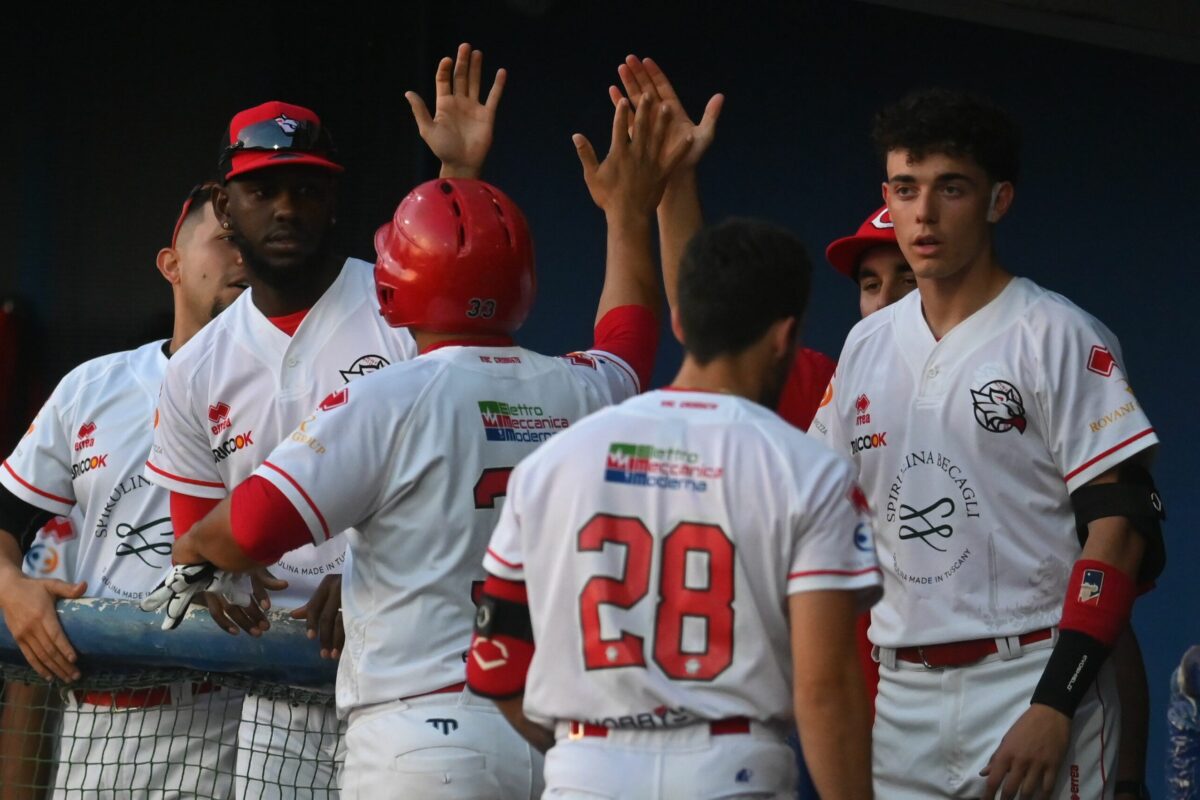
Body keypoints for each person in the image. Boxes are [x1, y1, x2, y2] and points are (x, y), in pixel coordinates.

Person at [149, 80, 685, 798]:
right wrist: (626, 214)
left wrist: (192, 548)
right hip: (542, 728)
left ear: (395, 291)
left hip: (419, 730)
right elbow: (630, 339)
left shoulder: (381, 397)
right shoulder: (578, 384)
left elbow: (240, 532)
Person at [809, 87, 1164, 800]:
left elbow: (1121, 530)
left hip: (1031, 678)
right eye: (906, 190)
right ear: (887, 194)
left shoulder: (1058, 334)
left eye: (952, 189)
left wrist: (1055, 702)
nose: (925, 214)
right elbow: (819, 510)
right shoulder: (866, 345)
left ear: (999, 200)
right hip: (902, 694)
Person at [468, 217, 879, 799]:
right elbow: (825, 688)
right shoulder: (809, 469)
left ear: (681, 321)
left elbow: (495, 663)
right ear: (786, 335)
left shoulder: (556, 460)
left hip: (589, 770)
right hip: (732, 770)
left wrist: (590, 757)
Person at [0, 181, 246, 798]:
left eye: (251, 242)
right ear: (172, 264)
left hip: (234, 716)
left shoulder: (295, 387)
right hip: (100, 724)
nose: (242, 256)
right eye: (224, 239)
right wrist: (11, 586)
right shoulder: (95, 385)